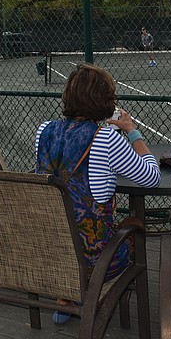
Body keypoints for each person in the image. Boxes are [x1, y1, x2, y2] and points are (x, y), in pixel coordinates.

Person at [35, 63, 160, 324]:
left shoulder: (43, 131)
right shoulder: (106, 139)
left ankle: (66, 294)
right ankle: (92, 293)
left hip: (53, 252)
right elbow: (151, 177)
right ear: (105, 101)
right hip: (97, 261)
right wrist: (132, 132)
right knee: (135, 224)